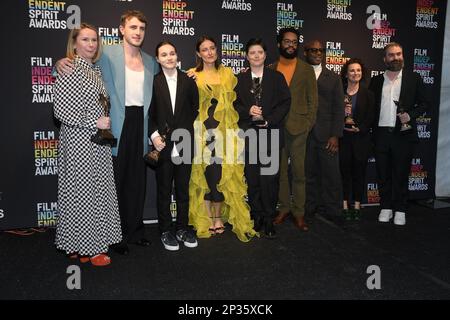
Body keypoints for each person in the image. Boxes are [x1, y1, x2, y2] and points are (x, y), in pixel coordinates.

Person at [56, 11, 159, 254]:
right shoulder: (106, 53)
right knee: (116, 182)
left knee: (137, 181)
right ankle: (117, 236)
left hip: (140, 123)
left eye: (141, 29)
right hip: (114, 125)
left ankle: (135, 231)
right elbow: (77, 66)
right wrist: (58, 64)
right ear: (122, 29)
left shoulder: (149, 61)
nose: (137, 32)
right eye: (132, 27)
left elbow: (167, 78)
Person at [53, 23, 122, 266]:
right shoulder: (70, 68)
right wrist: (94, 120)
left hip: (96, 140)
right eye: (85, 40)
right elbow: (61, 111)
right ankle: (91, 249)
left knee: (85, 192)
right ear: (74, 43)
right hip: (80, 141)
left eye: (94, 40)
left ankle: (76, 244)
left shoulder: (93, 70)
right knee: (84, 193)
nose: (91, 44)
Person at [188, 36, 257, 242]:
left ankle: (218, 217)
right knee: (205, 174)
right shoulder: (193, 75)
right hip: (202, 131)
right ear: (198, 54)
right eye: (204, 49)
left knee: (220, 174)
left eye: (212, 48)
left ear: (216, 50)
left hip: (225, 131)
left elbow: (238, 102)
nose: (209, 52)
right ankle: (207, 217)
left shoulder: (227, 73)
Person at [234, 38, 291, 238]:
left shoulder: (277, 78)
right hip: (249, 136)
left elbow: (285, 102)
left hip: (271, 135)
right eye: (252, 53)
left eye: (260, 52)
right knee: (253, 179)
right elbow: (234, 104)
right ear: (246, 56)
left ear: (265, 55)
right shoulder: (239, 80)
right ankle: (256, 216)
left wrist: (269, 119)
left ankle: (269, 219)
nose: (256, 56)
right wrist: (247, 110)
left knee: (270, 180)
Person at [369, 42, 429, 226]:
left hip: (403, 135)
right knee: (382, 174)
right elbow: (370, 108)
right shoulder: (377, 80)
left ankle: (401, 208)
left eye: (399, 54)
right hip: (380, 134)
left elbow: (425, 104)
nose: (396, 57)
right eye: (391, 55)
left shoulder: (414, 78)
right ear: (384, 59)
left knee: (401, 174)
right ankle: (386, 207)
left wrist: (410, 115)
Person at [149, 41, 199, 251]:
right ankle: (165, 230)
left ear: (177, 56)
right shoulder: (153, 82)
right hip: (163, 145)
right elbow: (150, 113)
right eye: (164, 54)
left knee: (182, 190)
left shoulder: (189, 80)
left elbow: (194, 108)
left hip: (185, 142)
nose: (169, 57)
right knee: (163, 190)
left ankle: (182, 227)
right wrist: (154, 136)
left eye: (172, 53)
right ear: (158, 59)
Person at [271, 28, 318, 231]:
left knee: (299, 173)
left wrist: (308, 124)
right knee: (280, 172)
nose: (291, 45)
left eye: (294, 42)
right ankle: (283, 208)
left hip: (299, 128)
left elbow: (313, 101)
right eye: (287, 41)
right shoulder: (270, 69)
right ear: (279, 44)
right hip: (277, 127)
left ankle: (299, 213)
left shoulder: (306, 69)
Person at [303, 40, 344, 224]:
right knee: (307, 175)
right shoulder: (299, 75)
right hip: (304, 135)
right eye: (313, 50)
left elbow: (339, 108)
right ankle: (309, 209)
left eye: (321, 50)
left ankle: (333, 211)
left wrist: (335, 135)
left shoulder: (333, 77)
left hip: (327, 135)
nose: (318, 53)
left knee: (331, 176)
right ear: (305, 52)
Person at [338, 58, 375, 220]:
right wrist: (341, 123)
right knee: (344, 173)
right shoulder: (339, 93)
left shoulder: (368, 94)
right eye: (352, 70)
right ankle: (345, 204)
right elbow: (333, 114)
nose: (355, 73)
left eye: (358, 70)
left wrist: (361, 127)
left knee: (359, 173)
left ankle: (357, 205)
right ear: (346, 74)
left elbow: (372, 116)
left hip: (361, 139)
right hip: (343, 139)